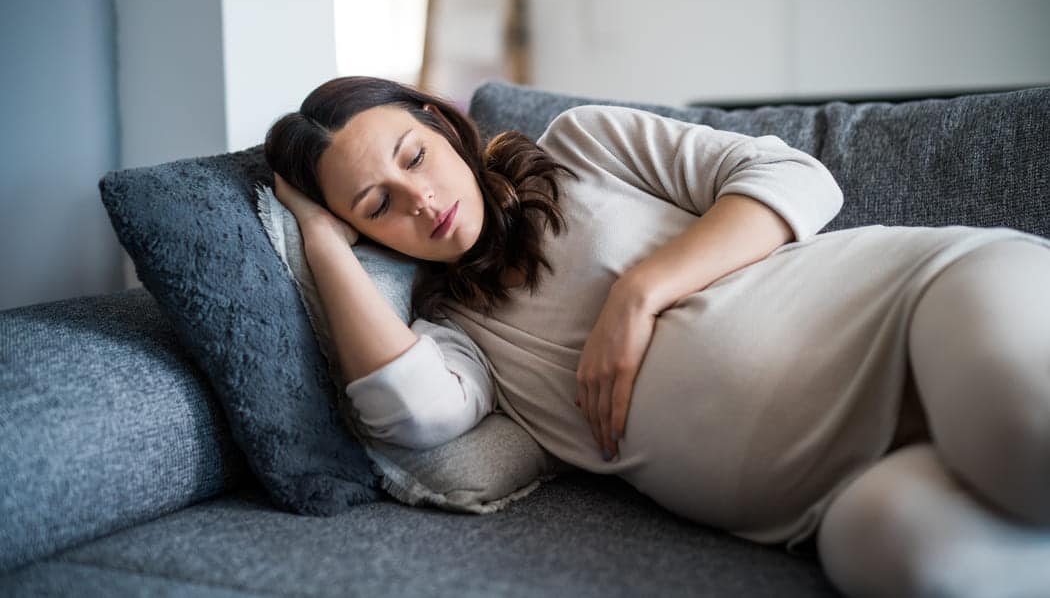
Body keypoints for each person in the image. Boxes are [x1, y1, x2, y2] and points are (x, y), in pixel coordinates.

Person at [265, 76, 1050, 597]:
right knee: (914, 563)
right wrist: (322, 245)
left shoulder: (581, 146)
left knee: (1021, 440)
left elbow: (796, 178)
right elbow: (408, 413)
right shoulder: (455, 336)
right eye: (377, 205)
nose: (421, 199)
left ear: (439, 121)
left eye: (416, 156)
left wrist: (641, 292)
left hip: (918, 300)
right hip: (835, 497)